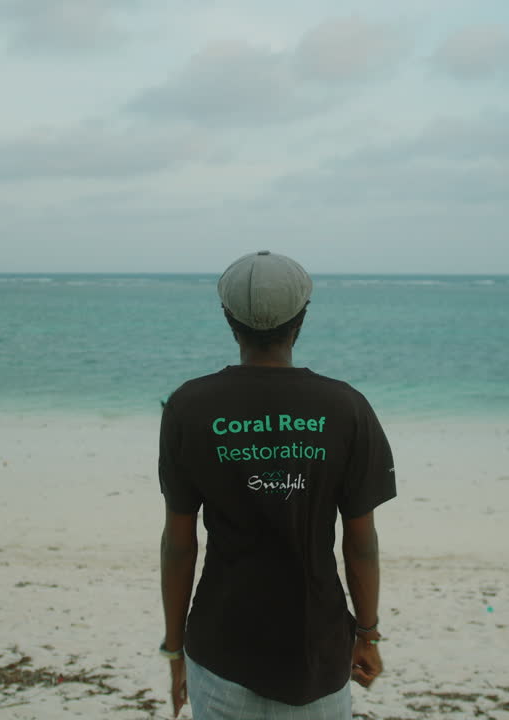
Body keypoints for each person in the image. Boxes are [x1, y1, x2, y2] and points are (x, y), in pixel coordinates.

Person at [158, 251, 396, 719]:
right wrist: (367, 633)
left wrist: (174, 649)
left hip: (222, 646)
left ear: (229, 320)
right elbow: (361, 543)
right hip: (318, 650)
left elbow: (179, 545)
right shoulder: (346, 407)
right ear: (300, 320)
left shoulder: (188, 406)